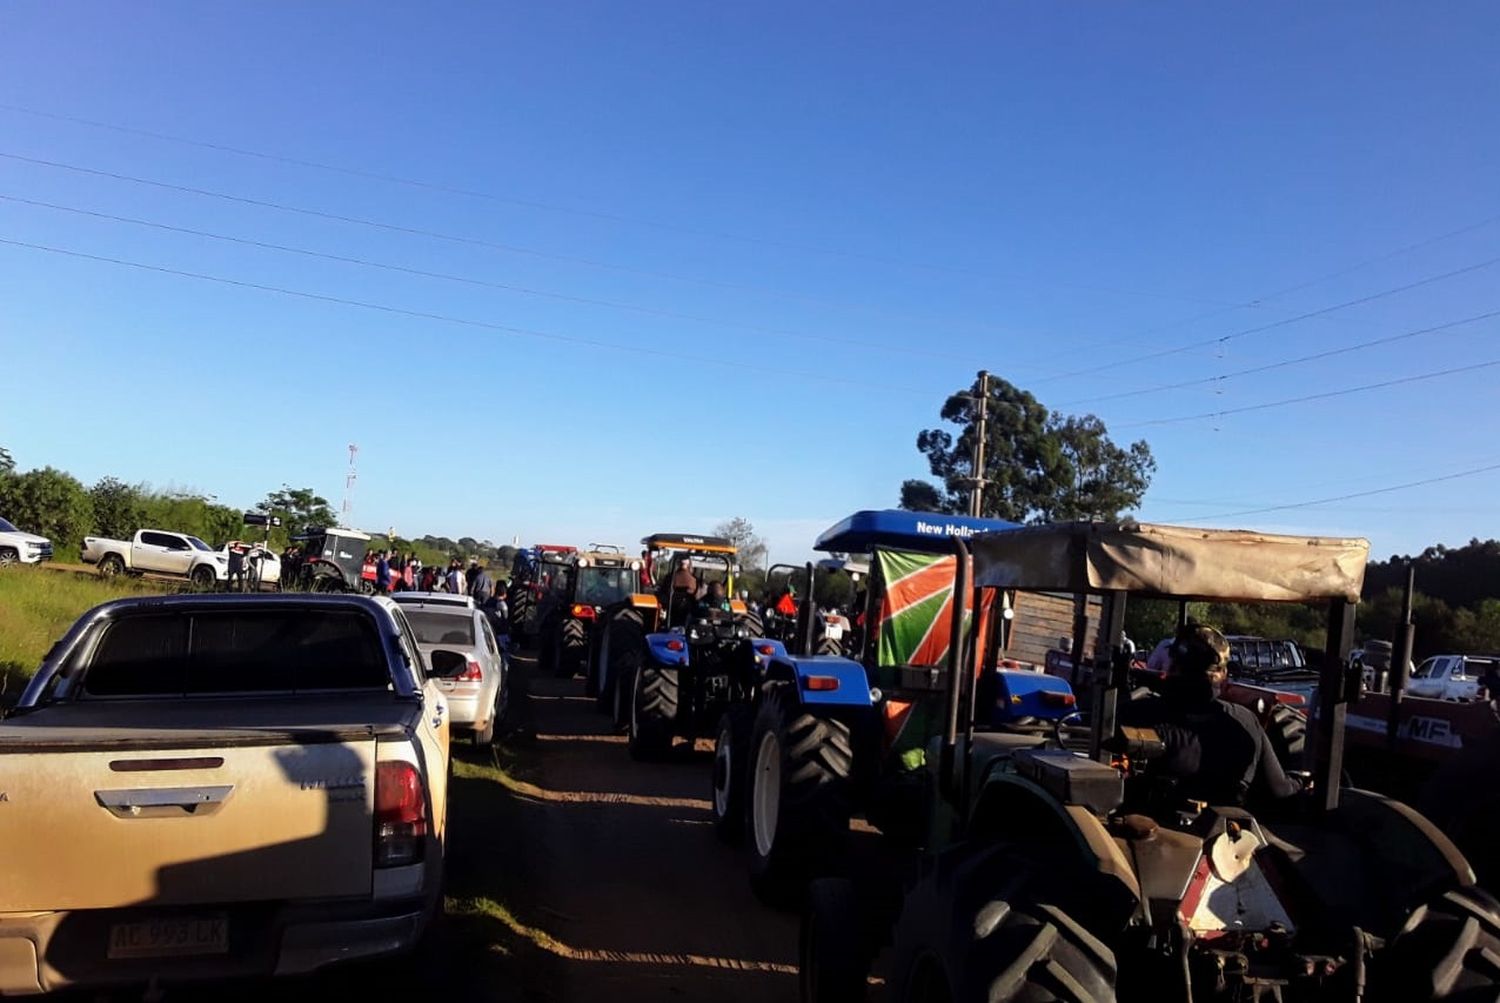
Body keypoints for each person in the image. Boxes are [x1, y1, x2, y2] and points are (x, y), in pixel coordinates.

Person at [1120, 624, 1302, 806]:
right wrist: (1301, 781)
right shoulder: (1245, 721)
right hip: (1224, 830)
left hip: (1149, 827)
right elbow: (1278, 790)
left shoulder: (1139, 714)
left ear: (1173, 666)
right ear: (1223, 674)